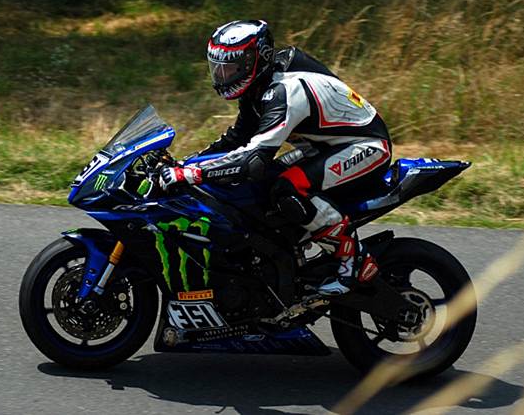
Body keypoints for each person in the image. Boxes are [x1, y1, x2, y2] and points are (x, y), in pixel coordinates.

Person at [159, 19, 392, 295]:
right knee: (265, 184)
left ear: (257, 60)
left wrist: (191, 174)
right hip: (323, 147)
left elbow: (253, 160)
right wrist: (185, 163)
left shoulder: (284, 91)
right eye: (218, 67)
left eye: (232, 67)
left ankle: (353, 260)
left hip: (366, 146)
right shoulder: (257, 87)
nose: (223, 75)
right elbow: (237, 139)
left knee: (289, 187)